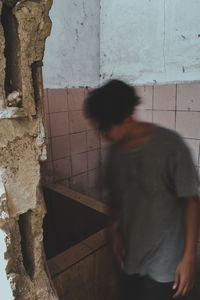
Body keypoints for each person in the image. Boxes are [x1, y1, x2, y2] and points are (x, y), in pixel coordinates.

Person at [84, 79, 200, 300]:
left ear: (128, 119)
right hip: (132, 257)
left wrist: (188, 258)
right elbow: (114, 197)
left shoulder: (170, 146)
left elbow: (192, 201)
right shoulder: (115, 153)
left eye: (106, 128)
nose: (102, 134)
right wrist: (113, 230)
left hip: (166, 264)